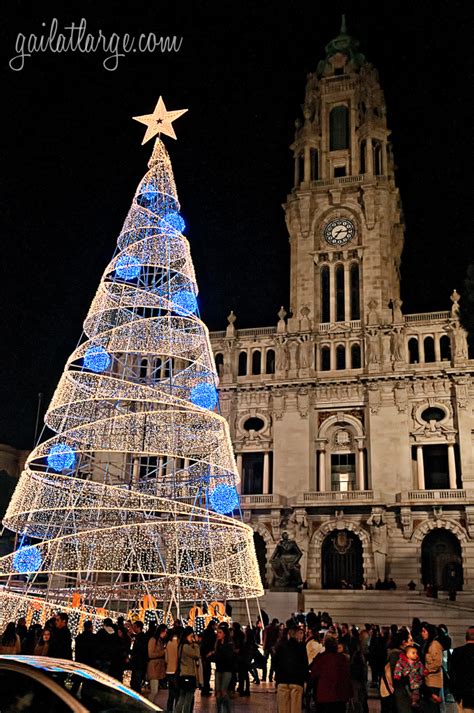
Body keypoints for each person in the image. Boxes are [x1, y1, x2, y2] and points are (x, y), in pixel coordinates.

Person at [273, 621, 308, 713]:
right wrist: (305, 679)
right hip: (296, 681)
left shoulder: (280, 646)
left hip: (282, 680)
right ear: (296, 635)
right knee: (295, 709)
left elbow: (274, 663)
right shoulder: (302, 647)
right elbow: (305, 664)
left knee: (283, 709)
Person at [311, 635, 353, 713]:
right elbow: (347, 676)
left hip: (323, 695)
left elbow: (314, 675)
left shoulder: (320, 658)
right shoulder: (343, 659)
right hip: (339, 696)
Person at [175, 627, 200, 713]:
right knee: (187, 700)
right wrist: (196, 643)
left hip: (182, 675)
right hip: (189, 675)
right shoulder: (186, 647)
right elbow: (196, 655)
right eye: (191, 636)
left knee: (182, 697)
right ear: (186, 636)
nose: (192, 638)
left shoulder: (181, 646)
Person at [449, 625, 474, 713]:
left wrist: (455, 693)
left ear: (466, 638)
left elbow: (452, 673)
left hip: (462, 696)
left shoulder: (457, 652)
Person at [421, 623, 444, 713]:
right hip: (429, 680)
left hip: (433, 681)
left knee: (433, 707)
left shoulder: (434, 644)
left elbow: (437, 662)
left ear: (429, 632)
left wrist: (428, 670)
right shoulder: (429, 644)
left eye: (424, 631)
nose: (422, 633)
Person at [213, 626, 234, 713]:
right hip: (219, 669)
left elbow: (228, 656)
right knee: (218, 692)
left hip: (226, 670)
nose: (218, 634)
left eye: (220, 632)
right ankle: (219, 710)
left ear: (224, 634)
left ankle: (228, 710)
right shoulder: (217, 644)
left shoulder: (229, 644)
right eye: (217, 632)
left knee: (223, 691)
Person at [148, 623, 167, 705]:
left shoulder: (160, 641)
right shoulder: (153, 640)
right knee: (154, 690)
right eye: (165, 632)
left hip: (158, 668)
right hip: (154, 668)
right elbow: (151, 654)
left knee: (156, 690)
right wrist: (163, 652)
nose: (166, 634)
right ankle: (149, 706)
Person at [165, 625, 182, 713]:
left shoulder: (169, 642)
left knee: (170, 694)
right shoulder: (179, 643)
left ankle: (169, 710)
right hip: (177, 671)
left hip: (169, 670)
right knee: (178, 695)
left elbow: (166, 659)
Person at [130, 620, 148, 693]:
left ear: (139, 628)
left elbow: (140, 650)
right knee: (134, 682)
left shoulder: (141, 638)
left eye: (134, 627)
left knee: (136, 682)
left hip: (139, 663)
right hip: (137, 663)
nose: (133, 628)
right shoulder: (138, 637)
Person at [200, 620, 217, 696]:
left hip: (205, 654)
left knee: (206, 672)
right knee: (207, 672)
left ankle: (206, 687)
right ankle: (205, 689)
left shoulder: (206, 632)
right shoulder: (211, 633)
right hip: (207, 654)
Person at [262, 618, 279, 682]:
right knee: (273, 662)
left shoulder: (267, 628)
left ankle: (264, 677)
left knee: (264, 662)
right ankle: (270, 677)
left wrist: (264, 646)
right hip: (272, 647)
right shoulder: (276, 629)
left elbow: (264, 637)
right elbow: (277, 638)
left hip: (266, 647)